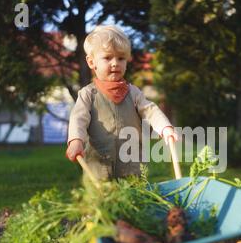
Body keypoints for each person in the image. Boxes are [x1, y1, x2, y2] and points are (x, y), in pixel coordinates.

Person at [66, 24, 178, 180]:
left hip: (132, 166)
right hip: (99, 168)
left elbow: (150, 110)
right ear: (92, 62)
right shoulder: (88, 94)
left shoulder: (134, 93)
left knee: (134, 200)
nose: (115, 63)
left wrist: (165, 128)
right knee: (102, 201)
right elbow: (78, 118)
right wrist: (76, 140)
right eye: (107, 57)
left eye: (121, 58)